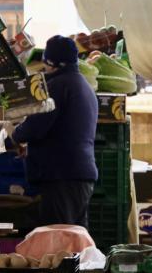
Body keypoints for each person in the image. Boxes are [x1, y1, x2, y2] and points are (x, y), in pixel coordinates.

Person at [12, 35, 98, 228]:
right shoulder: (83, 85)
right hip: (79, 175)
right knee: (74, 241)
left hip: (62, 177)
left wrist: (11, 138)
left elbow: (35, 126)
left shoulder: (58, 86)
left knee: (59, 239)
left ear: (51, 62)